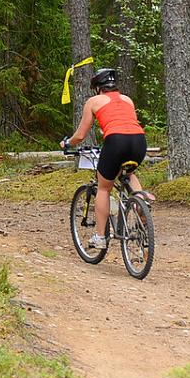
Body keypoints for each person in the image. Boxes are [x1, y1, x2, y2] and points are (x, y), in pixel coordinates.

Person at [62, 67, 153, 250]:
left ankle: (100, 237)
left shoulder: (93, 101)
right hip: (139, 141)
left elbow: (80, 135)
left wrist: (68, 144)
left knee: (104, 188)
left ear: (97, 87)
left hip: (116, 141)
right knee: (128, 172)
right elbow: (126, 123)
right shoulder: (127, 99)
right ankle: (141, 203)